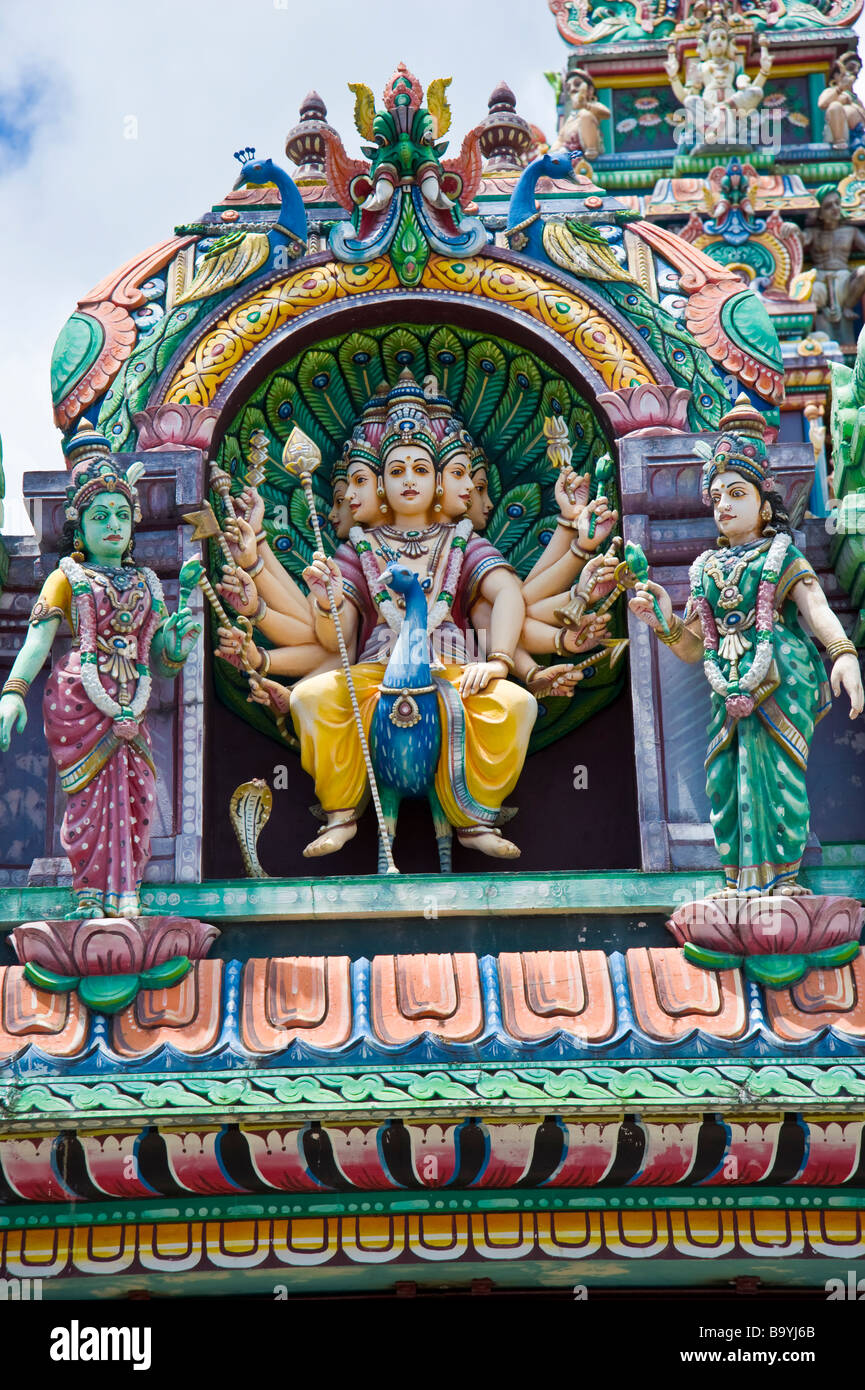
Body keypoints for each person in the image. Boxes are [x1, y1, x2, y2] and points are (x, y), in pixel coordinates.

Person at [628, 394, 863, 895]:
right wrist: (662, 619)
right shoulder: (706, 570)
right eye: (716, 499)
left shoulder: (781, 555)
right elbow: (695, 648)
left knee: (780, 778)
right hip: (727, 688)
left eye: (736, 494)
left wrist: (843, 654)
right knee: (726, 781)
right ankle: (740, 881)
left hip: (780, 681)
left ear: (764, 501)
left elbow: (815, 606)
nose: (725, 507)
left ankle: (785, 881)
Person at [0, 422, 201, 916]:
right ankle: (89, 891)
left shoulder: (148, 582)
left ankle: (125, 891)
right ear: (79, 526)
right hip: (79, 702)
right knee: (89, 803)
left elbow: (160, 661)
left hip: (132, 701)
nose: (113, 525)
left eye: (121, 515)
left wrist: (174, 646)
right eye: (99, 515)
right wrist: (12, 692)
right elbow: (38, 640)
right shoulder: (65, 579)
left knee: (135, 796)